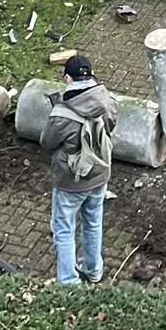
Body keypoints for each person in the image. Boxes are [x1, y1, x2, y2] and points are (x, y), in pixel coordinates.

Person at [40, 53, 119, 285]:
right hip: (100, 174)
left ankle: (68, 282)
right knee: (93, 221)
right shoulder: (108, 100)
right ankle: (94, 270)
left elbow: (47, 142)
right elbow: (110, 126)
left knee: (63, 228)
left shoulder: (62, 113)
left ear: (68, 78)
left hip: (71, 180)